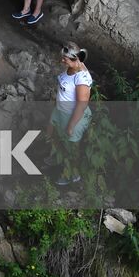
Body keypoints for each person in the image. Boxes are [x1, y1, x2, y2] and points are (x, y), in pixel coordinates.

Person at [52, 42, 93, 185]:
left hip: (73, 117)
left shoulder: (81, 80)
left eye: (65, 59)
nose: (62, 60)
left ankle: (72, 174)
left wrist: (71, 126)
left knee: (72, 149)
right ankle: (57, 157)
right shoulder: (73, 67)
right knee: (52, 134)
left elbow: (82, 105)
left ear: (75, 59)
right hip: (61, 111)